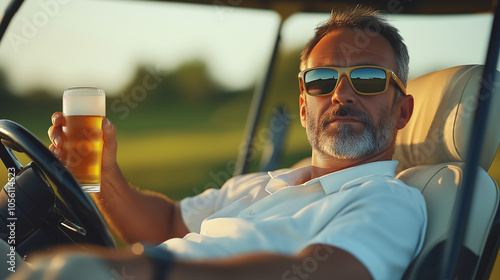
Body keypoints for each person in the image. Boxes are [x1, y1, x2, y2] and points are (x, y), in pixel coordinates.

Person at [12, 6, 426, 280]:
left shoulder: (388, 199)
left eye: (368, 79)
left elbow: (327, 271)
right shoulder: (263, 183)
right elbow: (165, 224)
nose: (341, 95)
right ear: (303, 108)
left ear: (403, 111)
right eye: (322, 80)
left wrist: (145, 268)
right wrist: (106, 175)